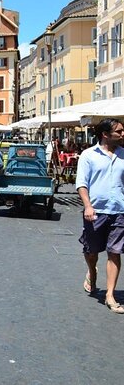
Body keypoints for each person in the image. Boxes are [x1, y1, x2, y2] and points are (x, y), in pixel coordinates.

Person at [76, 118, 124, 313]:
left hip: (119, 210)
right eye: (119, 132)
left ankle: (110, 295)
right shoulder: (88, 155)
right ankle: (92, 273)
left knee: (115, 251)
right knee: (91, 250)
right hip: (95, 211)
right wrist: (87, 206)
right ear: (105, 134)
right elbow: (82, 183)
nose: (123, 135)